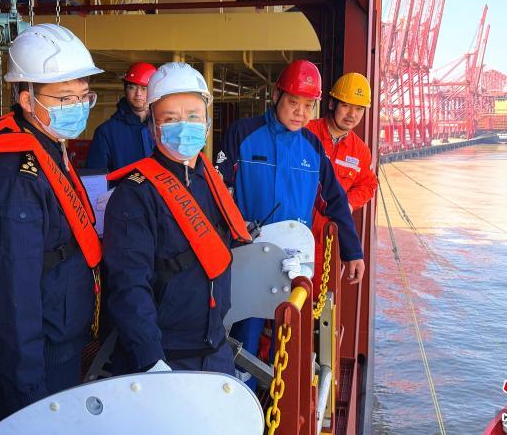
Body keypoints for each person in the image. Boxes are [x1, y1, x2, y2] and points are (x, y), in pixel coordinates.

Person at [0, 24, 103, 420]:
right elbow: (11, 293)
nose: (78, 106)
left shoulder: (47, 150)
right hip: (37, 359)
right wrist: (27, 390)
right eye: (65, 98)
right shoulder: (14, 179)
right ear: (27, 99)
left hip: (60, 339)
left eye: (84, 96)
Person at [216, 60, 365, 384]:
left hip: (293, 262)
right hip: (248, 254)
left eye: (308, 105)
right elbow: (218, 189)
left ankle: (276, 396)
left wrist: (353, 251)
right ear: (276, 96)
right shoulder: (243, 134)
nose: (300, 112)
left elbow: (335, 201)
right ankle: (244, 393)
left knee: (288, 331)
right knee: (246, 330)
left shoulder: (312, 147)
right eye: (293, 102)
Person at [103, 62, 251, 375]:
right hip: (165, 357)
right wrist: (150, 358)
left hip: (214, 347)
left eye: (193, 116)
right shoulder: (135, 194)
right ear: (153, 127)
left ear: (207, 123)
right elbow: (129, 284)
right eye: (170, 119)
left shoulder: (209, 180)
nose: (184, 126)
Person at [306, 72, 377, 295]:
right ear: (331, 103)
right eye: (346, 106)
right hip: (295, 229)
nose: (352, 115)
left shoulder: (360, 150)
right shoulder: (306, 133)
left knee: (317, 301)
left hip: (327, 240)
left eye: (359, 109)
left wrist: (347, 203)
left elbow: (368, 185)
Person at [86, 62, 157, 171]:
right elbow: (95, 176)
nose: (138, 93)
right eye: (132, 87)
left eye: (144, 88)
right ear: (125, 89)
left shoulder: (165, 126)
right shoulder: (106, 132)